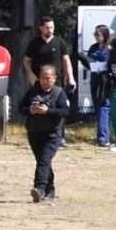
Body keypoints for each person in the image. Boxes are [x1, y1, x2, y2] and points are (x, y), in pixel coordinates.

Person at [18, 65, 70, 203]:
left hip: (52, 134)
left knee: (44, 161)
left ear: (54, 79)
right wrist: (30, 110)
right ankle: (50, 189)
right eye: (42, 78)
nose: (45, 81)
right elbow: (20, 109)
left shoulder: (59, 93)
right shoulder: (32, 92)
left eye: (48, 78)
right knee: (43, 162)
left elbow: (65, 111)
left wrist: (48, 111)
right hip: (34, 133)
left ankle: (39, 188)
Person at [23, 15, 76, 143]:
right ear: (41, 28)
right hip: (38, 82)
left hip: (56, 82)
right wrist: (30, 74)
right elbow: (26, 60)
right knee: (37, 106)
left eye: (52, 27)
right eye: (47, 28)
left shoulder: (59, 42)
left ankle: (59, 136)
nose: (50, 30)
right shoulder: (34, 43)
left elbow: (66, 60)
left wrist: (71, 78)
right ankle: (37, 132)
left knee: (58, 107)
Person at [77, 25, 111, 147]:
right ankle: (102, 135)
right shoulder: (93, 48)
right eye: (95, 34)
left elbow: (109, 64)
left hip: (105, 81)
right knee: (98, 107)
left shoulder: (109, 49)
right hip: (95, 80)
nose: (96, 37)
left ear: (105, 35)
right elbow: (88, 64)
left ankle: (103, 137)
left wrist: (98, 65)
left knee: (104, 107)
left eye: (99, 34)